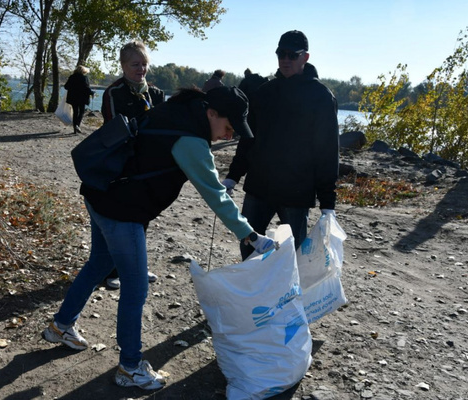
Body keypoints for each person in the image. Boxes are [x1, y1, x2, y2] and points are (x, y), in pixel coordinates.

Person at [42, 86, 276, 391]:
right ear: (211, 113)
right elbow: (215, 195)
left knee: (100, 262)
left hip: (101, 192)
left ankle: (61, 326)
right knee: (136, 287)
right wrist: (249, 234)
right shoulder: (191, 138)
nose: (228, 136)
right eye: (228, 127)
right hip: (121, 209)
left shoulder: (178, 110)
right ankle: (130, 367)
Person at [222, 30, 339, 260]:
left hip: (296, 192)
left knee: (292, 255)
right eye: (280, 53)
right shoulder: (265, 93)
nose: (285, 59)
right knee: (248, 248)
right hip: (258, 188)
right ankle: (253, 294)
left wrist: (328, 203)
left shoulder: (321, 97)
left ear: (305, 57)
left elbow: (327, 151)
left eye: (291, 55)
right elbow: (248, 140)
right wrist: (232, 176)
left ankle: (285, 296)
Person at [101, 40, 166, 289]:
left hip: (150, 166)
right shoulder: (113, 93)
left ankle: (137, 266)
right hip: (123, 165)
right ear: (123, 65)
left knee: (143, 217)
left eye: (144, 64)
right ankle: (113, 270)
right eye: (135, 64)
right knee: (123, 219)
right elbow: (114, 129)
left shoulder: (156, 93)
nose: (141, 69)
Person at [64, 65, 94, 134]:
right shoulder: (84, 78)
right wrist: (91, 92)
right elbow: (86, 88)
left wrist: (73, 88)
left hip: (73, 98)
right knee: (81, 112)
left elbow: (66, 86)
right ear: (84, 71)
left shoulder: (72, 77)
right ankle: (77, 125)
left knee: (75, 112)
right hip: (82, 98)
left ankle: (75, 128)